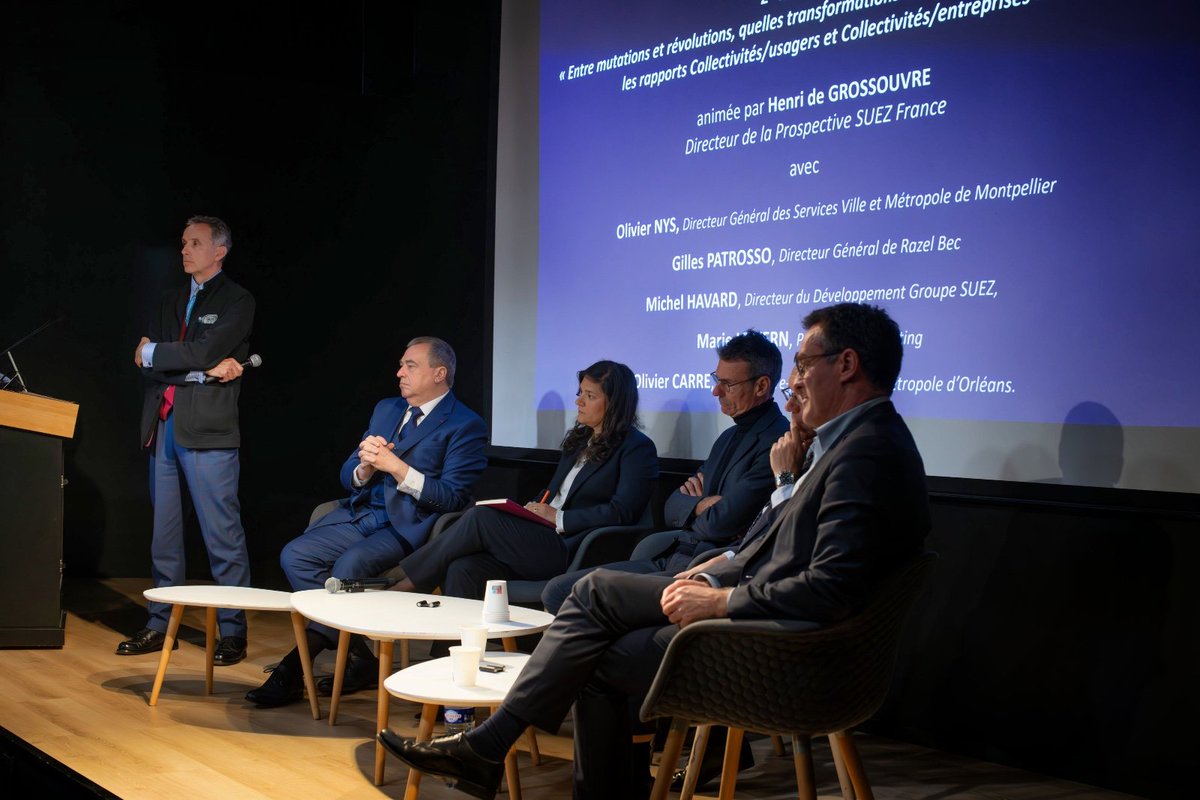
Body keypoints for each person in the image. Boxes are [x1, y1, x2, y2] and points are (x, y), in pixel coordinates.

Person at [379, 302, 932, 800]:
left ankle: (486, 746)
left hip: (786, 651)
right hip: (759, 612)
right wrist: (723, 568)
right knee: (593, 619)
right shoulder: (846, 445)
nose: (794, 381)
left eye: (803, 365)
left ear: (848, 364)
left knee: (592, 611)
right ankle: (489, 748)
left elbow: (829, 587)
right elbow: (751, 533)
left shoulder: (865, 453)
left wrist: (721, 600)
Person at [333, 360, 659, 689]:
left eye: (589, 396)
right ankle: (448, 675)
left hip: (572, 549)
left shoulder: (637, 449)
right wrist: (535, 507)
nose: (579, 401)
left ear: (614, 403)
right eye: (579, 393)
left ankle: (406, 586)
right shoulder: (578, 442)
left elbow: (623, 512)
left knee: (480, 516)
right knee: (464, 567)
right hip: (538, 537)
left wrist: (558, 518)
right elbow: (556, 493)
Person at [245, 337, 488, 706]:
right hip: (361, 513)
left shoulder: (465, 424)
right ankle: (360, 658)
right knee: (296, 556)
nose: (399, 373)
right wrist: (364, 467)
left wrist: (399, 469)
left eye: (410, 366)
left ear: (439, 374)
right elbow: (348, 472)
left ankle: (295, 667)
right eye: (401, 365)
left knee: (348, 569)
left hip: (408, 525)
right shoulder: (386, 409)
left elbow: (453, 497)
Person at [540, 330, 787, 614]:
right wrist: (702, 505)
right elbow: (671, 507)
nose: (715, 391)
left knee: (569, 593)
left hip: (704, 569)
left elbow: (721, 524)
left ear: (761, 386)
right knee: (561, 588)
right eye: (716, 380)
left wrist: (694, 507)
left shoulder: (777, 443)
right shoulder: (727, 438)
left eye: (727, 384)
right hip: (671, 555)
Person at [118, 215, 255, 665]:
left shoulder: (237, 300)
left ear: (219, 251)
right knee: (165, 536)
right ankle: (160, 624)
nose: (184, 250)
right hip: (164, 423)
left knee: (222, 535)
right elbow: (152, 365)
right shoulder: (171, 299)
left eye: (194, 243)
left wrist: (160, 354)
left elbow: (189, 351)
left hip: (209, 431)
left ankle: (233, 630)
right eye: (182, 243)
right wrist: (197, 368)